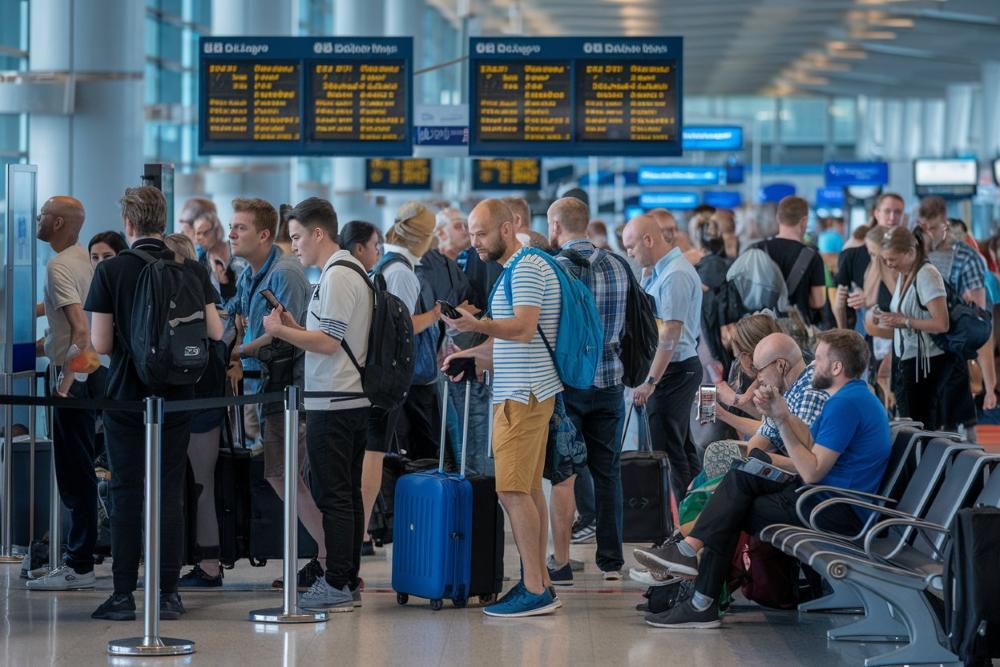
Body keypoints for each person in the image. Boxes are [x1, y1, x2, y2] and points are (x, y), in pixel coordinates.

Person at [638, 329, 891, 629]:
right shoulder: (850, 396)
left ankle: (697, 589)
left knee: (733, 503)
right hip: (823, 498)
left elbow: (811, 470)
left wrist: (782, 419)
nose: (813, 365)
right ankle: (692, 573)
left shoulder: (845, 404)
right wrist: (779, 413)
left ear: (837, 368)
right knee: (741, 478)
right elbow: (810, 441)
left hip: (833, 509)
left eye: (820, 359)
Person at [84, 186, 223, 620]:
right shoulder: (191, 268)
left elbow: (101, 343)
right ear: (163, 221)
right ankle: (167, 594)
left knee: (127, 492)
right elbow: (216, 333)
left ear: (128, 223)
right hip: (178, 397)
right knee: (168, 492)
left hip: (126, 395)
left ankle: (123, 594)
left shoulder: (110, 271)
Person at [442, 198, 562, 618]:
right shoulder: (517, 268)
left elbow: (524, 328)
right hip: (525, 389)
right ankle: (540, 581)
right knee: (526, 489)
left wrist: (475, 325)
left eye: (481, 233)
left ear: (508, 228)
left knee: (511, 490)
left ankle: (534, 588)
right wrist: (470, 357)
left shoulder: (527, 267)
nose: (474, 242)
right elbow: (510, 342)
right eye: (471, 233)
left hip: (522, 395)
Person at [262, 197, 372, 612]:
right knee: (343, 495)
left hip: (338, 401)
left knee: (335, 496)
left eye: (296, 237)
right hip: (343, 397)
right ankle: (345, 578)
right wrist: (295, 327)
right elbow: (329, 334)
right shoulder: (341, 273)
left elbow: (327, 344)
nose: (294, 246)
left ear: (319, 233)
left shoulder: (340, 275)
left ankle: (339, 581)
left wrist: (280, 331)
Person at [224, 197, 325, 590]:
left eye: (241, 228)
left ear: (264, 234)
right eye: (232, 227)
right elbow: (231, 312)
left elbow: (287, 337)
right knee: (280, 475)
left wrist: (239, 350)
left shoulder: (285, 274)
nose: (232, 233)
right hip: (269, 388)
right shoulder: (251, 273)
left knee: (284, 476)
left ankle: (329, 557)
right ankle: (327, 555)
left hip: (291, 392)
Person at [546, 197, 630, 584]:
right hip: (612, 380)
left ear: (557, 226)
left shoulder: (556, 269)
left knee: (564, 474)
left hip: (570, 383)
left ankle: (560, 563)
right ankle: (611, 561)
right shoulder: (619, 265)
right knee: (608, 471)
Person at [26, 197, 103, 592]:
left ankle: (79, 565)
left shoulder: (58, 266)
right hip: (84, 373)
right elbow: (62, 326)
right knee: (79, 469)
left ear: (56, 223)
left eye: (41, 215)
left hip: (74, 377)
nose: (37, 221)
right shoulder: (78, 260)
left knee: (74, 473)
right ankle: (76, 558)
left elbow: (81, 334)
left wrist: (64, 385)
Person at [161, 234, 230, 589]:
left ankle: (208, 563)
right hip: (203, 401)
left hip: (193, 404)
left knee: (197, 484)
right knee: (199, 484)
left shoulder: (175, 297)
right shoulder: (205, 295)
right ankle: (204, 560)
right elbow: (221, 339)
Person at [622, 214, 703, 503]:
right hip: (672, 369)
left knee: (669, 450)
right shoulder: (659, 272)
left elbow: (670, 333)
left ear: (648, 240)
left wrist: (651, 381)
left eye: (631, 246)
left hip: (675, 372)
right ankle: (697, 516)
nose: (629, 253)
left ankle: (684, 526)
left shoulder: (676, 275)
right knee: (681, 447)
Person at [918, 196, 997, 420]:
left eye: (932, 227)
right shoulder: (917, 254)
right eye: (923, 227)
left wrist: (990, 386)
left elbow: (980, 320)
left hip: (953, 346)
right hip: (921, 347)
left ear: (944, 224)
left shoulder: (966, 257)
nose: (928, 233)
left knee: (955, 419)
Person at [377, 202, 443, 462]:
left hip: (393, 378)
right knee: (420, 454)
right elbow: (403, 328)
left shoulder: (386, 264)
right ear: (424, 238)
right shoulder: (402, 273)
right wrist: (435, 314)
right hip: (408, 381)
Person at [338, 221, 388, 557]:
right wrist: (434, 315)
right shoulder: (359, 280)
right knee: (369, 457)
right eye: (374, 245)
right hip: (367, 389)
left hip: (358, 389)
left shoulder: (360, 279)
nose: (378, 252)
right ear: (359, 248)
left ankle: (360, 534)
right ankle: (361, 534)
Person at [751, 196, 826, 321]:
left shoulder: (756, 249)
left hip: (762, 327)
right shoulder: (812, 256)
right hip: (797, 330)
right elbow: (817, 302)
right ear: (804, 221)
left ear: (778, 218)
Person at [194, 210, 238, 302]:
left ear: (217, 230)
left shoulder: (236, 249)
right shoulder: (201, 260)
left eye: (205, 233)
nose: (200, 238)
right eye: (198, 233)